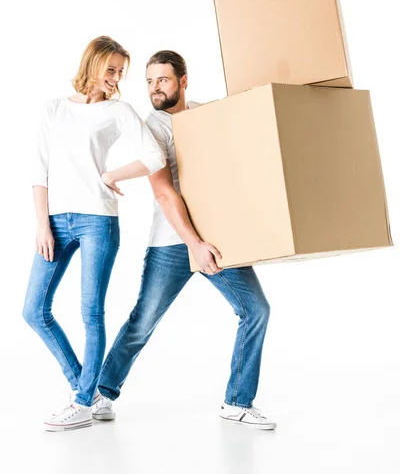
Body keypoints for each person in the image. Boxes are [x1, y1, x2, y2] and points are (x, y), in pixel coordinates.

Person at [95, 50, 276, 430]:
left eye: (162, 80)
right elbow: (163, 192)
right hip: (173, 242)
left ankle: (238, 402)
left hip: (218, 236)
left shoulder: (204, 115)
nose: (154, 88)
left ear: (183, 80)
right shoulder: (153, 125)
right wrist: (194, 243)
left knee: (255, 310)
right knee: (142, 322)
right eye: (148, 81)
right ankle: (101, 394)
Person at [22, 36, 166, 432]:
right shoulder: (53, 109)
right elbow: (38, 170)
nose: (116, 77)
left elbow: (156, 155)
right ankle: (86, 391)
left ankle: (83, 401)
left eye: (121, 72)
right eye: (111, 69)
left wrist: (113, 174)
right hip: (56, 221)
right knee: (34, 310)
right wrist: (41, 224)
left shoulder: (119, 111)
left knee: (91, 312)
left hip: (98, 219)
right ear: (93, 64)